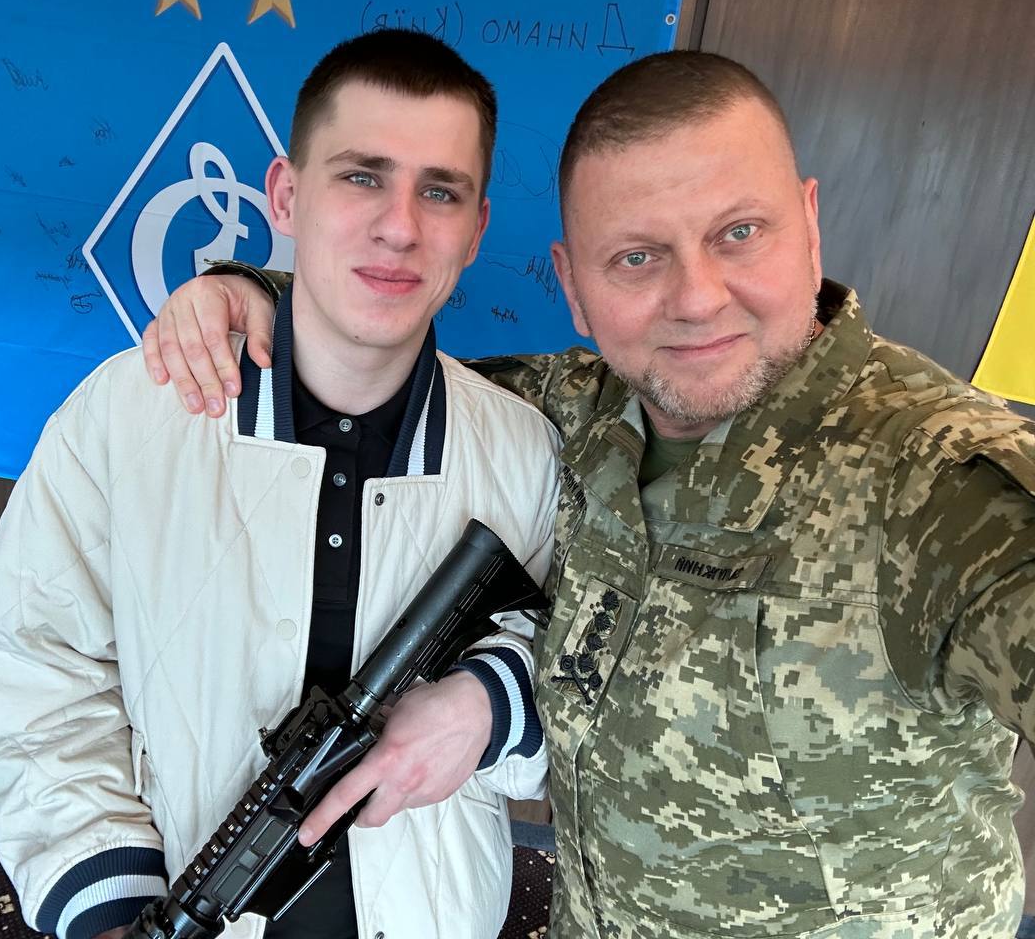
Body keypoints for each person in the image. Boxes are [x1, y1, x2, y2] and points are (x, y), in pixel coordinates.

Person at [143, 50, 1035, 938]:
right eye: (637, 257)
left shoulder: (941, 486)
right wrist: (249, 295)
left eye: (739, 233)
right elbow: (376, 356)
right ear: (572, 286)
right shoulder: (572, 409)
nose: (697, 298)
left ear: (808, 223)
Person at [0, 30, 562, 939]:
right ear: (285, 195)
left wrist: (488, 702)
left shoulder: (525, 449)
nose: (400, 226)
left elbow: (581, 681)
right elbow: (29, 668)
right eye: (362, 176)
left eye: (441, 191)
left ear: (475, 230)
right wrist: (107, 903)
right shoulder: (129, 413)